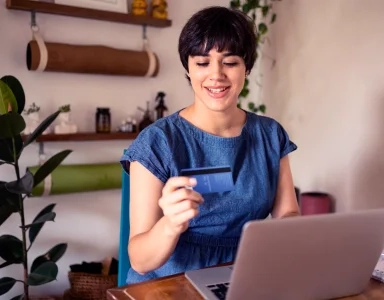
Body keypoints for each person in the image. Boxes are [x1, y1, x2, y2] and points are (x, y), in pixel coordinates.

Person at [120, 5, 300, 285]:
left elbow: (288, 212)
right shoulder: (158, 142)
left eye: (230, 62)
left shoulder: (269, 135)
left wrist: (296, 238)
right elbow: (140, 261)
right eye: (202, 63)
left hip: (244, 276)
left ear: (247, 67)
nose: (216, 75)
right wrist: (170, 224)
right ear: (188, 69)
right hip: (171, 282)